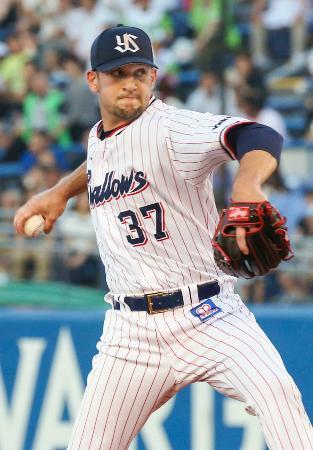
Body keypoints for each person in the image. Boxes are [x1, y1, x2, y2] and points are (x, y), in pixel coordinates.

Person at [14, 25, 313, 450]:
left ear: (153, 78)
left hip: (209, 313)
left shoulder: (170, 129)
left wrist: (247, 186)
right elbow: (103, 159)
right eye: (118, 74)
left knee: (280, 399)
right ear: (93, 81)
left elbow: (257, 136)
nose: (130, 83)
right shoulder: (97, 138)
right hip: (129, 334)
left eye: (140, 72)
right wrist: (60, 191)